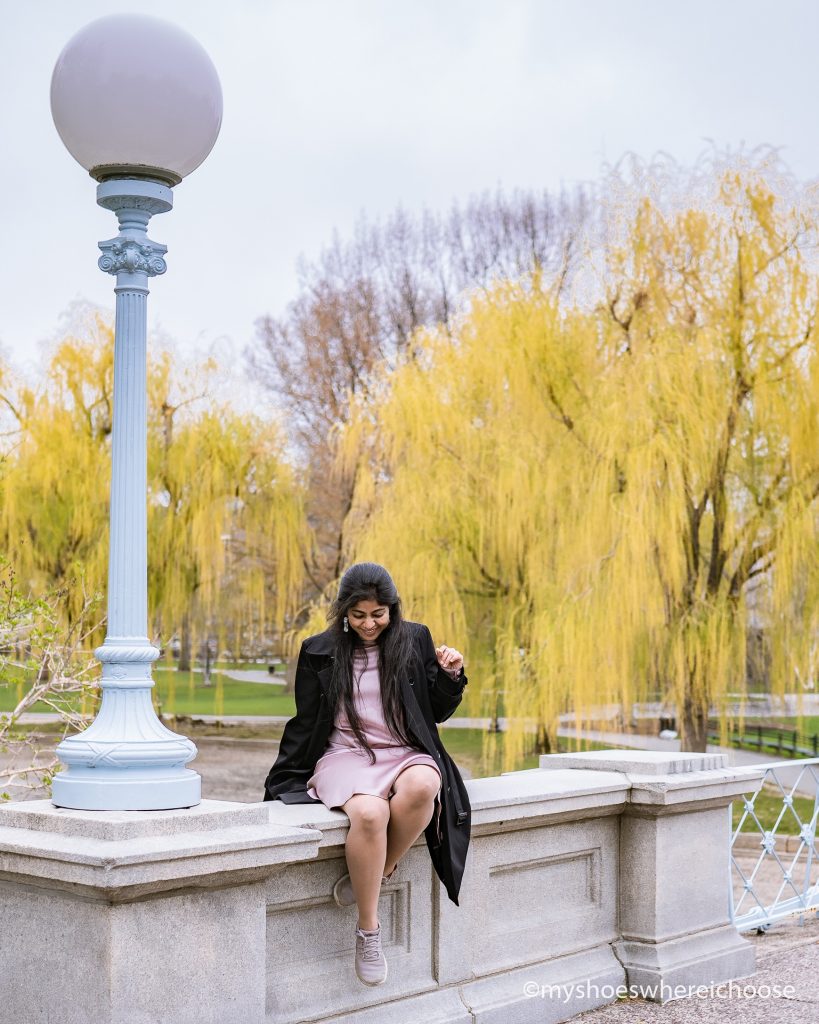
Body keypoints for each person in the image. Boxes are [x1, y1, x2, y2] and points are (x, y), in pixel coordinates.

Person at [263, 561, 471, 987]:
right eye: (358, 615)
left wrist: (451, 675)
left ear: (392, 609)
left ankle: (377, 871)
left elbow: (437, 710)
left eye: (378, 614)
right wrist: (282, 776)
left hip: (403, 751)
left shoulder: (415, 640)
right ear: (344, 611)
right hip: (345, 754)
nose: (369, 624)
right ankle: (369, 929)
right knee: (371, 815)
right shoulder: (318, 649)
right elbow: (306, 721)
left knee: (424, 785)